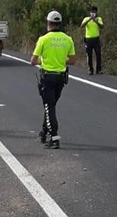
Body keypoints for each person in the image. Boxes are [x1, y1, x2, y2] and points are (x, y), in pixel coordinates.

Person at [30, 11, 76, 149]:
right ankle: (44, 132)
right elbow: (72, 60)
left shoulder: (43, 39)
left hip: (48, 77)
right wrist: (61, 60)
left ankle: (54, 137)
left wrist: (44, 59)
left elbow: (33, 61)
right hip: (61, 78)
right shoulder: (68, 39)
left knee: (49, 106)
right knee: (50, 105)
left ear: (48, 23)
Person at [81, 6, 104, 75]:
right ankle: (90, 69)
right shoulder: (86, 19)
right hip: (88, 39)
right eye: (91, 12)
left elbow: (102, 26)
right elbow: (82, 25)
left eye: (94, 12)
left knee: (98, 54)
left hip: (96, 39)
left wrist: (95, 21)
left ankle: (98, 69)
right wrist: (89, 19)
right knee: (89, 54)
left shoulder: (99, 19)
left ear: (96, 12)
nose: (93, 13)